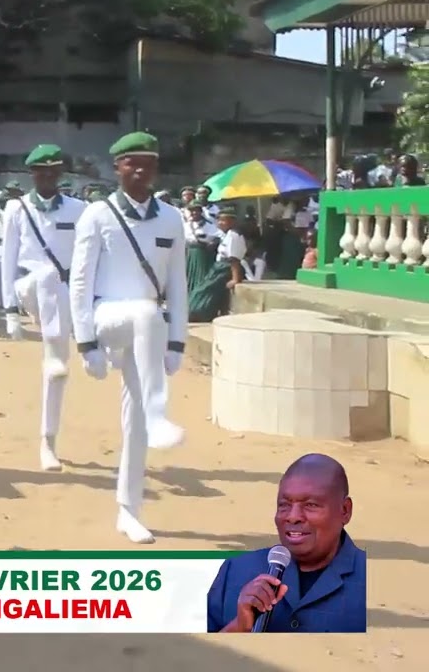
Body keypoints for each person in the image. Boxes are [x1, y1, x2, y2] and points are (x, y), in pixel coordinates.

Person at [69, 131, 188, 544]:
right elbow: (80, 283)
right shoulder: (97, 215)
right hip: (107, 316)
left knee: (134, 420)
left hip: (149, 329)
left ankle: (128, 510)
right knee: (144, 312)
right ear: (117, 167)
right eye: (131, 162)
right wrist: (86, 343)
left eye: (148, 163)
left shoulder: (171, 217)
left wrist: (177, 342)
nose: (140, 170)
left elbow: (178, 284)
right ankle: (159, 414)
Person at [207, 454, 367, 633]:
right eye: (284, 505)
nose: (293, 516)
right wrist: (239, 626)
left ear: (345, 511)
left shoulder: (371, 578)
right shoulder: (236, 571)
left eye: (311, 505)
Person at [0, 143, 88, 472]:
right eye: (42, 172)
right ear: (32, 174)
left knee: (56, 374)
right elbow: (7, 261)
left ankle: (48, 442)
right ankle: (57, 347)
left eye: (54, 171)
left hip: (62, 293)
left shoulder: (79, 209)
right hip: (29, 288)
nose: (48, 177)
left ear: (60, 173)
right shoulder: (16, 208)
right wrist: (10, 311)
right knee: (48, 276)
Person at [188, 206, 246, 323]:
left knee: (202, 291)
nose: (220, 223)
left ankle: (197, 314)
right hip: (219, 267)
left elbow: (234, 259)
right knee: (204, 290)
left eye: (224, 220)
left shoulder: (234, 236)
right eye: (219, 220)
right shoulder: (227, 234)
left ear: (232, 221)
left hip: (225, 268)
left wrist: (235, 279)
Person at [183, 203, 219, 299]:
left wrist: (212, 243)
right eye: (191, 211)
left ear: (201, 211)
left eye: (196, 210)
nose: (194, 213)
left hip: (204, 255)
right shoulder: (185, 226)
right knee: (190, 277)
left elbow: (217, 237)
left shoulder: (209, 225)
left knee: (202, 277)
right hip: (190, 254)